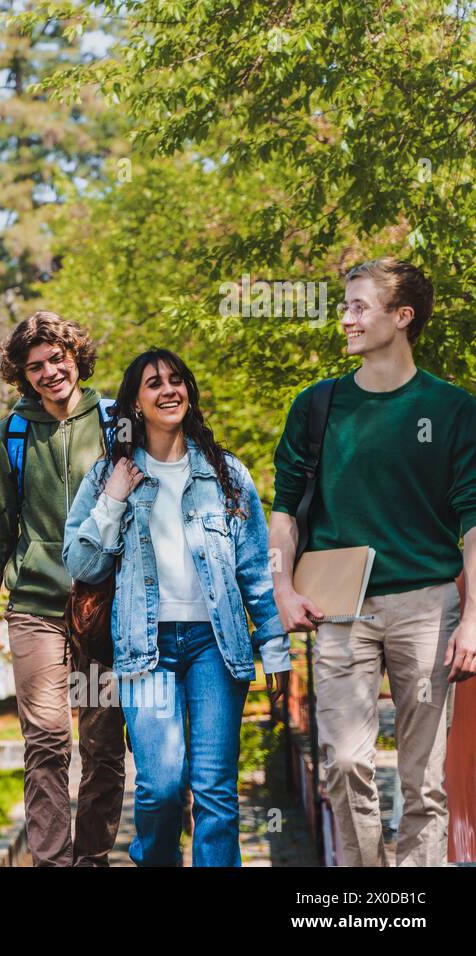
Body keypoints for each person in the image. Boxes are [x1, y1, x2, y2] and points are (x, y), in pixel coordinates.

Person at [269, 258, 476, 867]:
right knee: (345, 762)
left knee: (424, 779)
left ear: (402, 316)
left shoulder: (454, 408)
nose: (346, 318)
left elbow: (473, 521)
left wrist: (473, 619)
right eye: (345, 306)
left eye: (359, 306)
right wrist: (281, 589)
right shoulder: (318, 407)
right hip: (339, 605)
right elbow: (283, 511)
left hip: (428, 606)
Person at [64, 349, 291, 866]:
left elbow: (255, 568)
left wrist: (274, 646)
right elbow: (80, 561)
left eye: (176, 381)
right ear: (135, 403)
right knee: (162, 787)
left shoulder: (226, 473)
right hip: (147, 650)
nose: (168, 390)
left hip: (216, 644)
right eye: (153, 384)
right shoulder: (108, 475)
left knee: (215, 791)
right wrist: (114, 499)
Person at [0, 311, 127, 866]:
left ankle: (92, 857)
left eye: (57, 358)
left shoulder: (116, 421)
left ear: (75, 356)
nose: (49, 371)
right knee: (47, 740)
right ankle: (52, 862)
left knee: (104, 746)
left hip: (105, 607)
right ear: (22, 375)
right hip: (35, 605)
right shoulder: (12, 433)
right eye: (35, 366)